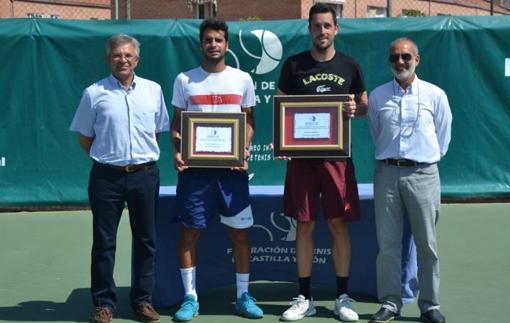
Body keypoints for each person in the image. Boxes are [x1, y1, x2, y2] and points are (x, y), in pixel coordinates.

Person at [69, 34, 170, 323]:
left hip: (145, 176)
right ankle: (104, 304)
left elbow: (157, 131)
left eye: (128, 55)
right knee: (104, 243)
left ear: (136, 59)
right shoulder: (93, 93)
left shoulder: (153, 90)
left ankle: (142, 301)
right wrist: (109, 159)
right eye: (116, 55)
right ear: (108, 59)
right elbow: (85, 138)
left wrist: (135, 159)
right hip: (106, 179)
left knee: (146, 241)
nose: (122, 60)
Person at [277, 3, 368, 322]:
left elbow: (364, 104)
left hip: (337, 159)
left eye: (328, 26)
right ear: (310, 29)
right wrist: (284, 139)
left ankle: (342, 296)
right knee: (304, 224)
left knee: (337, 224)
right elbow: (281, 108)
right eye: (317, 26)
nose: (322, 31)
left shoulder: (350, 65)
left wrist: (356, 109)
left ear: (336, 29)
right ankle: (305, 297)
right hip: (302, 160)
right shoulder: (293, 65)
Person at [170, 18, 263, 322]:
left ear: (226, 44)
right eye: (208, 40)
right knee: (189, 234)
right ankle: (190, 297)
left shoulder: (242, 79)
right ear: (201, 44)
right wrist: (178, 151)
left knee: (239, 236)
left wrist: (244, 148)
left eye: (218, 40)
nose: (213, 45)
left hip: (232, 173)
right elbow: (177, 124)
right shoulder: (185, 80)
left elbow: (248, 122)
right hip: (196, 174)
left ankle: (243, 296)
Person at [367, 37, 452, 323]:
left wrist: (422, 159)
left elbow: (443, 137)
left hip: (423, 174)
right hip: (387, 174)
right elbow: (377, 133)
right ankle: (390, 303)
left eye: (406, 57)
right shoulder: (378, 96)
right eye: (394, 58)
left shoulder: (435, 95)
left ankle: (429, 305)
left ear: (417, 59)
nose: (400, 62)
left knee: (426, 244)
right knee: (388, 244)